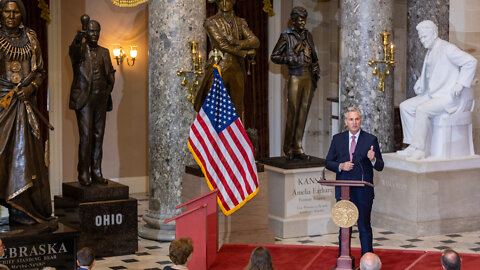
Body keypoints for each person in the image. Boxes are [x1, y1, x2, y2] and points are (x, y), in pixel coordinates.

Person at [0, 0, 56, 227]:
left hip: (25, 106)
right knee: (3, 155)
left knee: (27, 156)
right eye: (7, 11)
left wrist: (30, 89)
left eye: (16, 12)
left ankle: (23, 208)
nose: (11, 16)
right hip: (3, 106)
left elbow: (40, 72)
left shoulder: (31, 38)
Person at [397, 20, 477, 160]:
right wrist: (421, 83)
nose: (422, 41)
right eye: (420, 37)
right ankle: (412, 145)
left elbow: (471, 62)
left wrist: (460, 83)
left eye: (425, 37)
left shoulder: (447, 48)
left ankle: (421, 149)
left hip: (447, 97)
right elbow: (431, 72)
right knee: (405, 107)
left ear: (434, 34)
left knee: (422, 109)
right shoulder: (430, 52)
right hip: (431, 95)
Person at [325, 106, 384, 255]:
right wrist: (340, 166)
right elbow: (328, 162)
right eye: (351, 119)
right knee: (344, 226)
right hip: (344, 189)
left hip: (363, 191)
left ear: (361, 120)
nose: (354, 122)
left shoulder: (370, 139)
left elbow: (380, 166)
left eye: (357, 119)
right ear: (346, 122)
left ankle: (367, 260)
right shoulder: (337, 139)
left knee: (364, 226)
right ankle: (343, 259)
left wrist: (373, 159)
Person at [69, 15, 116, 186]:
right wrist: (78, 36)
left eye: (97, 31)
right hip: (84, 99)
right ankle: (83, 173)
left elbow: (110, 73)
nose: (95, 34)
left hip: (101, 98)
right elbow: (73, 49)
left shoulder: (105, 52)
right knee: (86, 136)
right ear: (86, 32)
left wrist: (108, 88)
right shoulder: (79, 51)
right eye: (91, 31)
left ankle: (96, 171)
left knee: (98, 136)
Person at [193, 0, 260, 118]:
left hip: (237, 68)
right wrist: (244, 53)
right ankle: (212, 135)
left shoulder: (240, 22)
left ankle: (234, 136)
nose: (224, 3)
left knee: (237, 107)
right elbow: (221, 44)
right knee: (213, 106)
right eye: (220, 0)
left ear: (233, 2)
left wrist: (237, 42)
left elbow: (255, 41)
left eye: (227, 0)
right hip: (219, 66)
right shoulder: (211, 22)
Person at [271, 6, 320, 160]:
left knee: (303, 113)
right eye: (299, 19)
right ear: (293, 20)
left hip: (308, 76)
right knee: (292, 113)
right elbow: (275, 56)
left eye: (304, 19)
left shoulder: (308, 35)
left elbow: (314, 55)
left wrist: (315, 65)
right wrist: (288, 59)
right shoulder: (286, 36)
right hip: (295, 76)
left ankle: (298, 147)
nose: (302, 22)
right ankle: (288, 148)